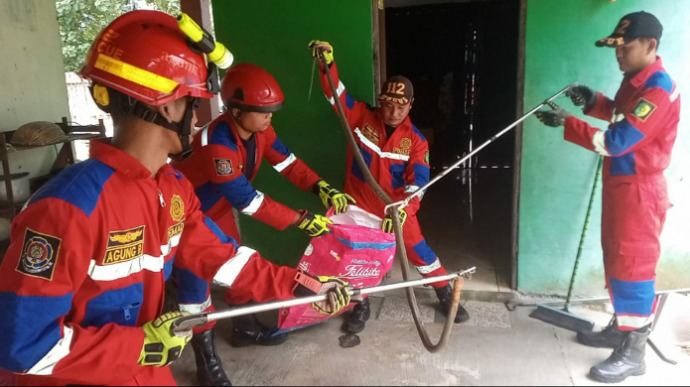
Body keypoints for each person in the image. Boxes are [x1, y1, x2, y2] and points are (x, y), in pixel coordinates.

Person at [0, 10, 350, 386]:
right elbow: (21, 345)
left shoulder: (172, 189)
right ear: (166, 105)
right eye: (193, 103)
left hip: (145, 371)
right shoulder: (66, 208)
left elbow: (223, 258)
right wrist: (141, 347)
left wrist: (305, 287)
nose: (198, 117)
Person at [535, 11, 679, 384]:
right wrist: (593, 101)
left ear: (650, 45)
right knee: (616, 258)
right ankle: (621, 328)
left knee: (634, 266)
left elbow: (618, 141)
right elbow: (620, 114)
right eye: (616, 49)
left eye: (625, 49)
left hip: (640, 192)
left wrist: (569, 122)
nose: (618, 56)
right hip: (622, 186)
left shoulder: (659, 89)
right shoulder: (636, 81)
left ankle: (634, 353)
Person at [170, 62, 355, 352]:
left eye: (272, 110)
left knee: (236, 262)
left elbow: (287, 163)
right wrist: (301, 219)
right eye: (262, 111)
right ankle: (203, 356)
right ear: (237, 110)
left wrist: (321, 187)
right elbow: (247, 200)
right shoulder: (217, 145)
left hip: (216, 208)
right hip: (187, 217)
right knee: (195, 283)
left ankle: (244, 328)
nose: (269, 116)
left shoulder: (259, 131)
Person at [308, 40, 470, 334]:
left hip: (395, 211)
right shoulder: (360, 118)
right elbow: (335, 94)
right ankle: (359, 303)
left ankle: (444, 292)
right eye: (387, 104)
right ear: (380, 101)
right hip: (357, 206)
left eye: (400, 105)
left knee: (419, 251)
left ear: (411, 104)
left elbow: (419, 183)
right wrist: (326, 64)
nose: (393, 111)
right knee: (355, 255)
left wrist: (406, 209)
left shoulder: (417, 141)